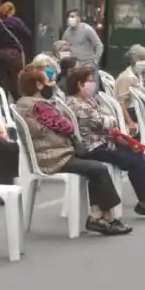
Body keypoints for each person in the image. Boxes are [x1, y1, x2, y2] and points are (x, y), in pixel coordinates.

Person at [15, 66, 131, 235]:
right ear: (39, 85)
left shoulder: (23, 104)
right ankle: (104, 218)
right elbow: (66, 126)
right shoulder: (39, 106)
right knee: (98, 169)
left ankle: (100, 214)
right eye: (48, 82)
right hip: (55, 157)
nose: (52, 85)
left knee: (94, 167)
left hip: (49, 153)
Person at [64, 66, 145, 218]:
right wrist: (110, 120)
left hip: (102, 142)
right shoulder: (76, 104)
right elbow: (103, 121)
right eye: (90, 81)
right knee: (136, 158)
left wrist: (109, 120)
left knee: (137, 154)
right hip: (94, 148)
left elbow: (106, 118)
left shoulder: (87, 101)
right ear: (79, 84)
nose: (93, 84)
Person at [0, 2, 32, 101]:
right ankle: (19, 103)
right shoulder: (16, 21)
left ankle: (2, 103)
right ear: (11, 11)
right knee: (16, 81)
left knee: (2, 81)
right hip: (13, 56)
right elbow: (28, 34)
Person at [114, 44, 145, 130]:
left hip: (136, 108)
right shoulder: (126, 78)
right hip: (128, 111)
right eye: (141, 59)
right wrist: (130, 122)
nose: (144, 62)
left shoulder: (139, 75)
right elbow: (120, 103)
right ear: (133, 60)